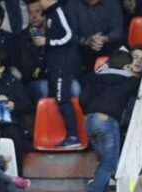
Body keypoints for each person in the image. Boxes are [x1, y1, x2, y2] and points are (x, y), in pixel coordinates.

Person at [79, 49, 140, 192]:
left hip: (89, 121)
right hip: (107, 121)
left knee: (104, 162)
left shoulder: (94, 77)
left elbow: (82, 99)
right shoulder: (130, 80)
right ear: (127, 65)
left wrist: (93, 111)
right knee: (110, 163)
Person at [39, 0, 82, 149]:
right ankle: (58, 134)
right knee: (55, 99)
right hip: (54, 65)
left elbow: (69, 35)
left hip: (62, 65)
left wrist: (48, 41)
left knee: (63, 99)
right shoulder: (50, 14)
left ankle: (73, 136)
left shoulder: (59, 12)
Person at [67, 0, 124, 71]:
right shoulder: (72, 4)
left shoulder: (112, 2)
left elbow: (117, 30)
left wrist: (104, 39)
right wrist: (86, 41)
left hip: (108, 48)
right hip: (81, 51)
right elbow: (69, 34)